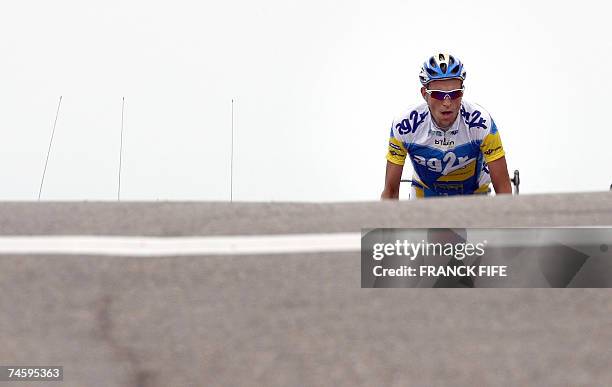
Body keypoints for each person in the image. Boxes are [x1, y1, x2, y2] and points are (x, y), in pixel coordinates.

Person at [381, 53, 512, 199]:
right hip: (426, 195)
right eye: (438, 94)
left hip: (474, 194)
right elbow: (390, 192)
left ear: (462, 93)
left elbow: (503, 189)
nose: (447, 103)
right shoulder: (405, 125)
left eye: (455, 94)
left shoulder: (480, 123)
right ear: (425, 94)